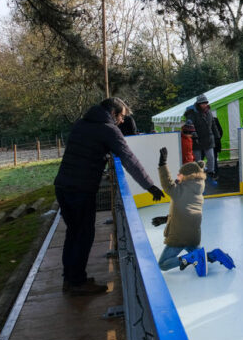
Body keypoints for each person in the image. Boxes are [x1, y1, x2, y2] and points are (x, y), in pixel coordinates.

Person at [54, 97, 164, 295]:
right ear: (113, 114)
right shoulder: (108, 129)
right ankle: (77, 283)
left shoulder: (82, 123)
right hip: (81, 189)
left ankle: (69, 279)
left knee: (73, 233)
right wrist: (150, 186)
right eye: (121, 116)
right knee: (84, 235)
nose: (122, 121)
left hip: (62, 185)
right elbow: (130, 160)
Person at [151, 148, 234, 276]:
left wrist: (162, 163)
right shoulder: (198, 193)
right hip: (193, 235)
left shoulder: (180, 191)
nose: (178, 176)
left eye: (180, 174)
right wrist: (164, 219)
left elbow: (167, 184)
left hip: (179, 236)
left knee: (163, 264)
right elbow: (183, 213)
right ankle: (214, 255)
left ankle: (189, 258)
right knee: (199, 255)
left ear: (187, 176)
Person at [185, 95, 220, 179]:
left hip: (208, 138)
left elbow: (213, 124)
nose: (204, 105)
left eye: (205, 103)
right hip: (197, 139)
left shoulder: (208, 111)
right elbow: (189, 125)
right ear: (198, 103)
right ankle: (198, 174)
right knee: (198, 159)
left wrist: (217, 136)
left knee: (211, 157)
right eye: (202, 103)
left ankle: (211, 172)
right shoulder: (192, 113)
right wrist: (194, 136)